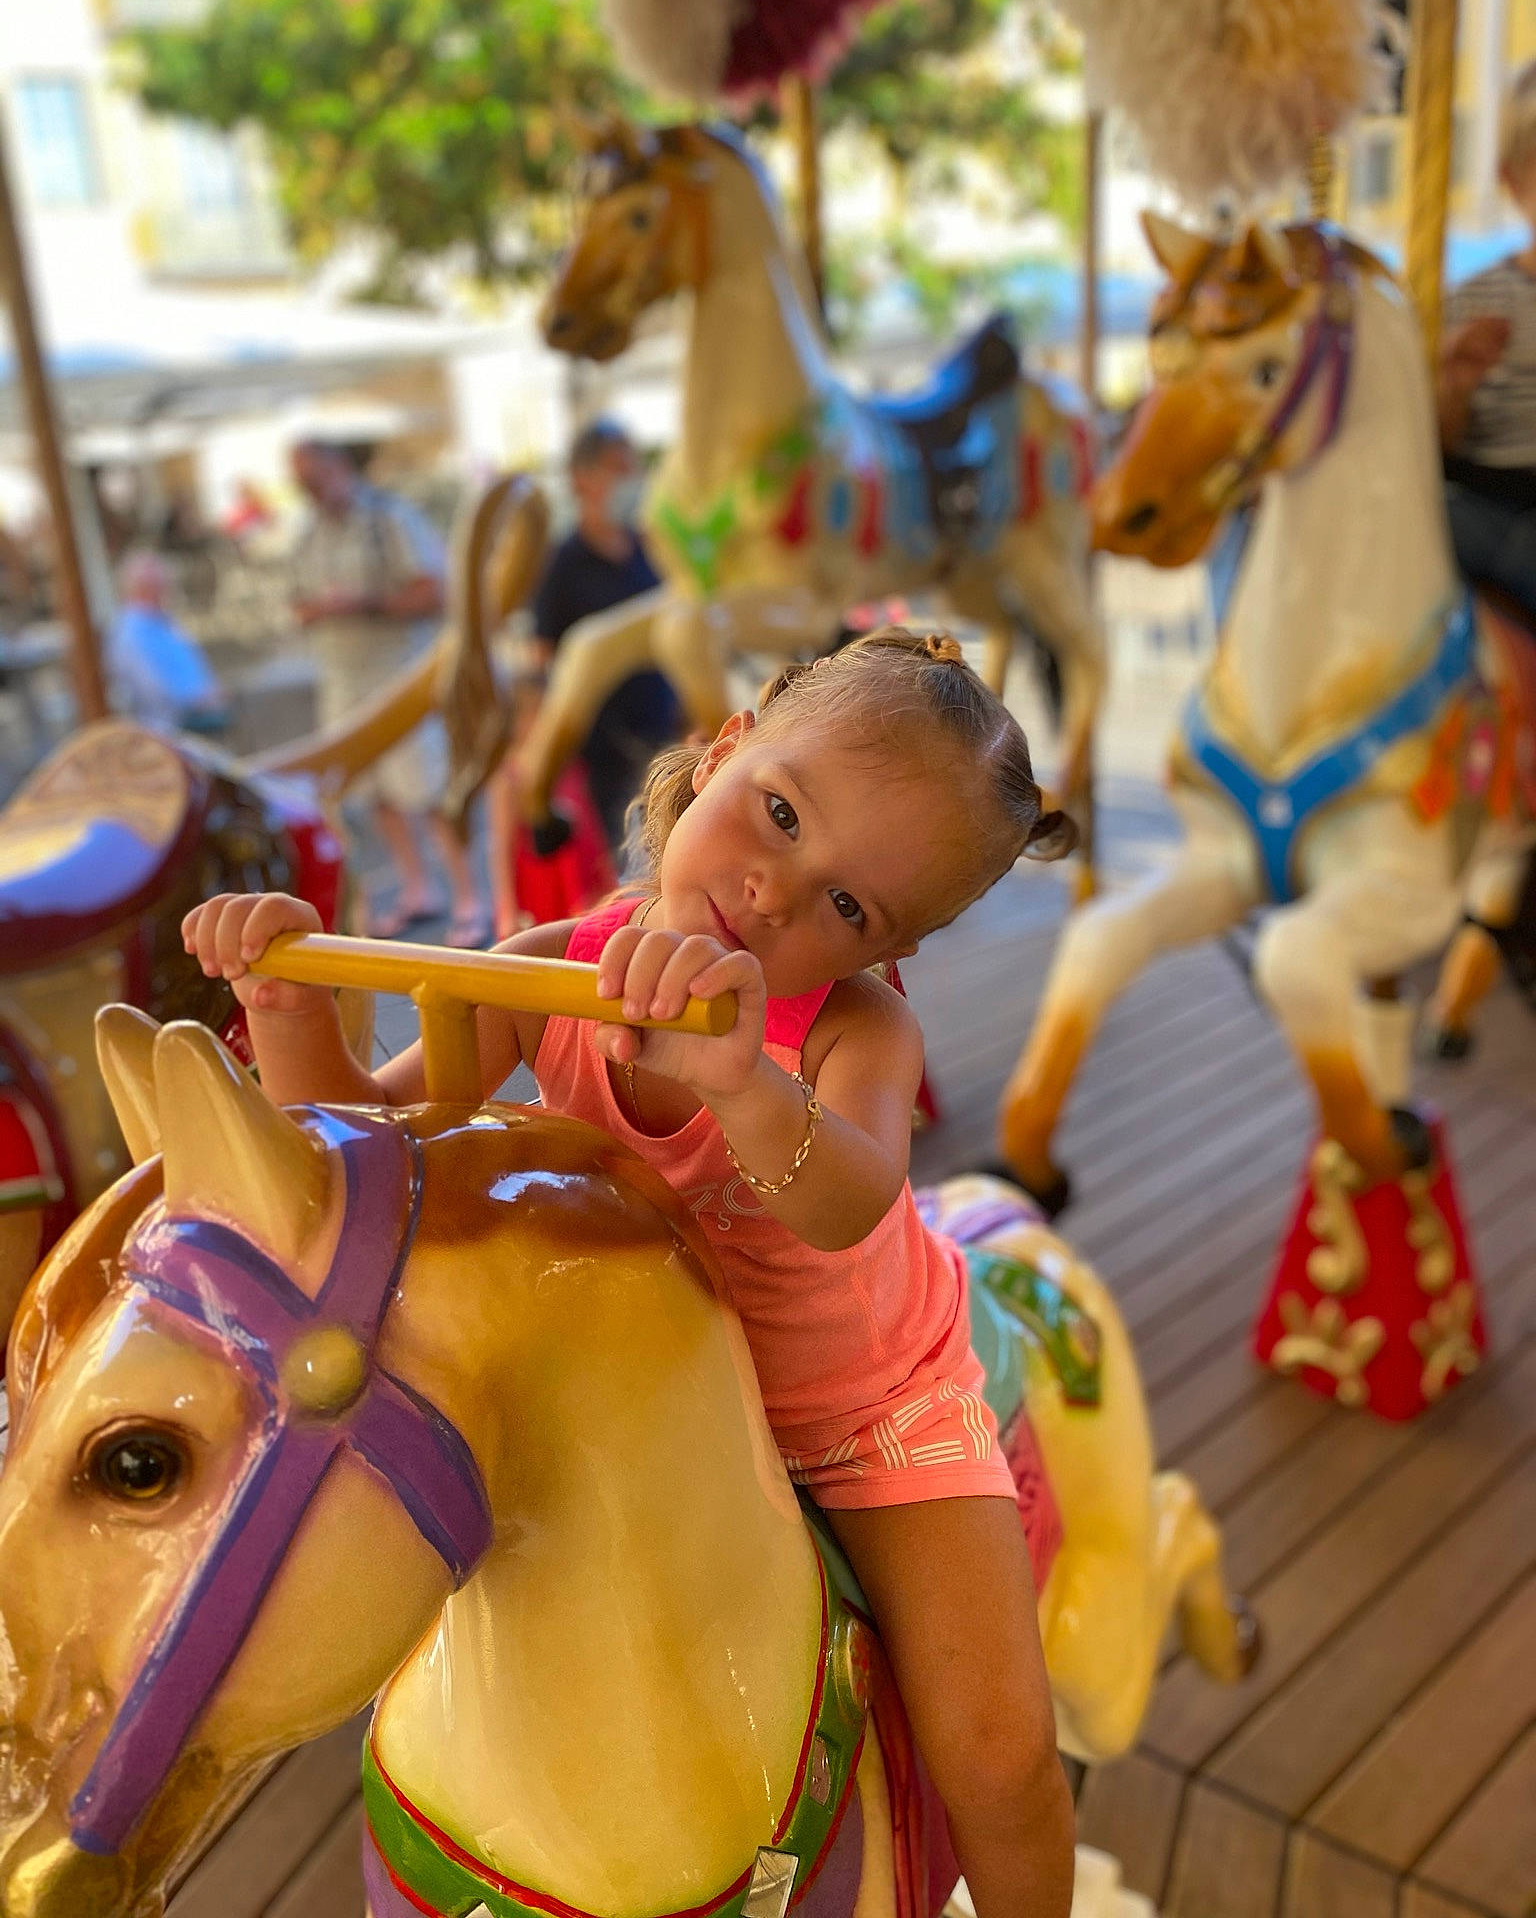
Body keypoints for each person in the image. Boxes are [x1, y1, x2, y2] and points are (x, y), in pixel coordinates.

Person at [184, 630, 1077, 1917]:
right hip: (638, 1392)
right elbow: (356, 1157)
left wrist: (746, 1079)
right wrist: (287, 1005)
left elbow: (851, 1198)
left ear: (891, 952)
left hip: (856, 1407)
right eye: (777, 811)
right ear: (722, 751)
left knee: (1000, 1752)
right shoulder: (554, 961)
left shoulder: (855, 1030)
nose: (776, 892)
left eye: (847, 906)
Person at [289, 438, 487, 945]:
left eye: (312, 477)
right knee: (372, 789)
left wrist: (360, 604)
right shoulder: (308, 533)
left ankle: (470, 897)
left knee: (431, 788)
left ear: (337, 465)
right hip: (343, 683)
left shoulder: (389, 518)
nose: (306, 489)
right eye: (300, 481)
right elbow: (298, 600)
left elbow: (434, 591)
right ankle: (419, 888)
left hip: (400, 679)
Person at [529, 419, 681, 855]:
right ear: (582, 479)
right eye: (618, 468)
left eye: (633, 468)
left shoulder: (651, 548)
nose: (631, 480)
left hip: (666, 728)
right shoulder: (563, 565)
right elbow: (542, 660)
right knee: (632, 856)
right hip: (603, 748)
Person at [1438, 59, 1536, 632]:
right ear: (1514, 183)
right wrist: (1454, 383)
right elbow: (1441, 447)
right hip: (1486, 503)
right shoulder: (1472, 302)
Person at [106, 550, 228, 735]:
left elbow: (194, 666)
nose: (165, 589)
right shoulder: (130, 634)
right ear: (143, 587)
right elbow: (152, 691)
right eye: (158, 584)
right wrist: (198, 699)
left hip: (202, 713)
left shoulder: (165, 622)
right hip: (172, 728)